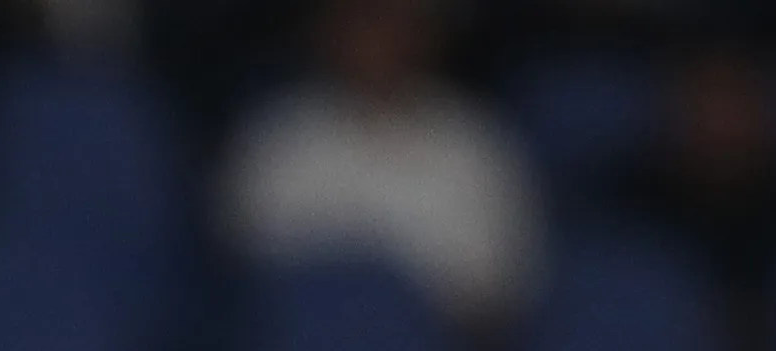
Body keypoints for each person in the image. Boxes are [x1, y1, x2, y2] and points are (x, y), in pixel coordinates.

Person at [219, 0, 541, 328]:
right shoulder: (276, 141)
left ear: (427, 37)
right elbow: (241, 287)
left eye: (393, 23)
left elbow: (501, 297)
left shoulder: (475, 144)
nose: (377, 40)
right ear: (326, 33)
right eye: (361, 21)